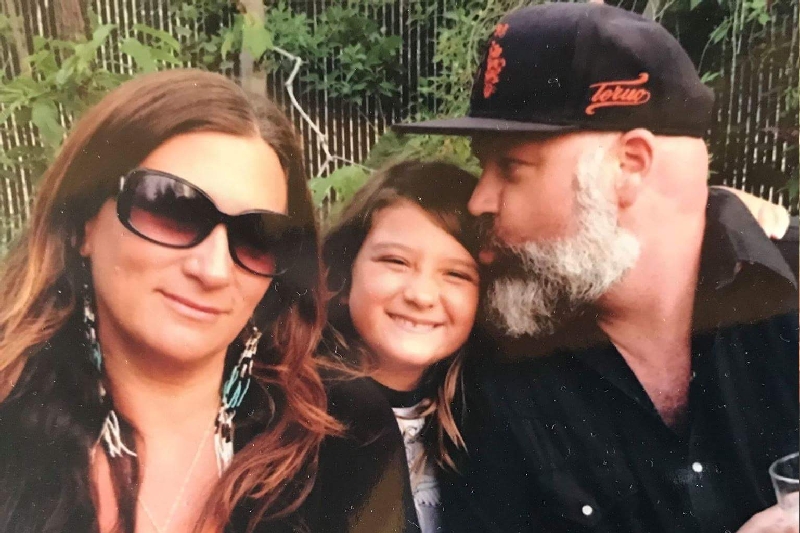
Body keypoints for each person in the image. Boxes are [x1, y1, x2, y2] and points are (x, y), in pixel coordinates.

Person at [394, 4, 798, 533]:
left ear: (629, 165)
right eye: (482, 164)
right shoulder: (485, 363)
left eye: (511, 166)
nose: (480, 200)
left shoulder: (787, 290)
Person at [0, 69, 413, 533]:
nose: (213, 270)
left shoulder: (347, 433)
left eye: (258, 236)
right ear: (83, 225)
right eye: (171, 209)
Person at [321, 161, 488, 533]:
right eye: (395, 262)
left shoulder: (486, 414)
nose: (421, 295)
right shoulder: (293, 413)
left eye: (456, 274)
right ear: (345, 274)